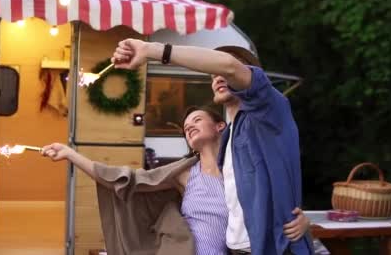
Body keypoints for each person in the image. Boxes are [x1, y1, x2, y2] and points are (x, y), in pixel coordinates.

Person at [112, 41, 314, 255]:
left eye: (222, 71)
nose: (217, 76)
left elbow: (228, 66)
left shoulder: (269, 109)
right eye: (212, 75)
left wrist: (150, 50)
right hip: (237, 250)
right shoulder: (228, 138)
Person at [43, 106, 310, 255]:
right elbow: (123, 180)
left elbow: (277, 202)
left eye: (197, 120)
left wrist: (303, 221)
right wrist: (71, 154)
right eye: (186, 127)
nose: (189, 126)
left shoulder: (243, 171)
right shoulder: (184, 173)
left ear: (220, 126)